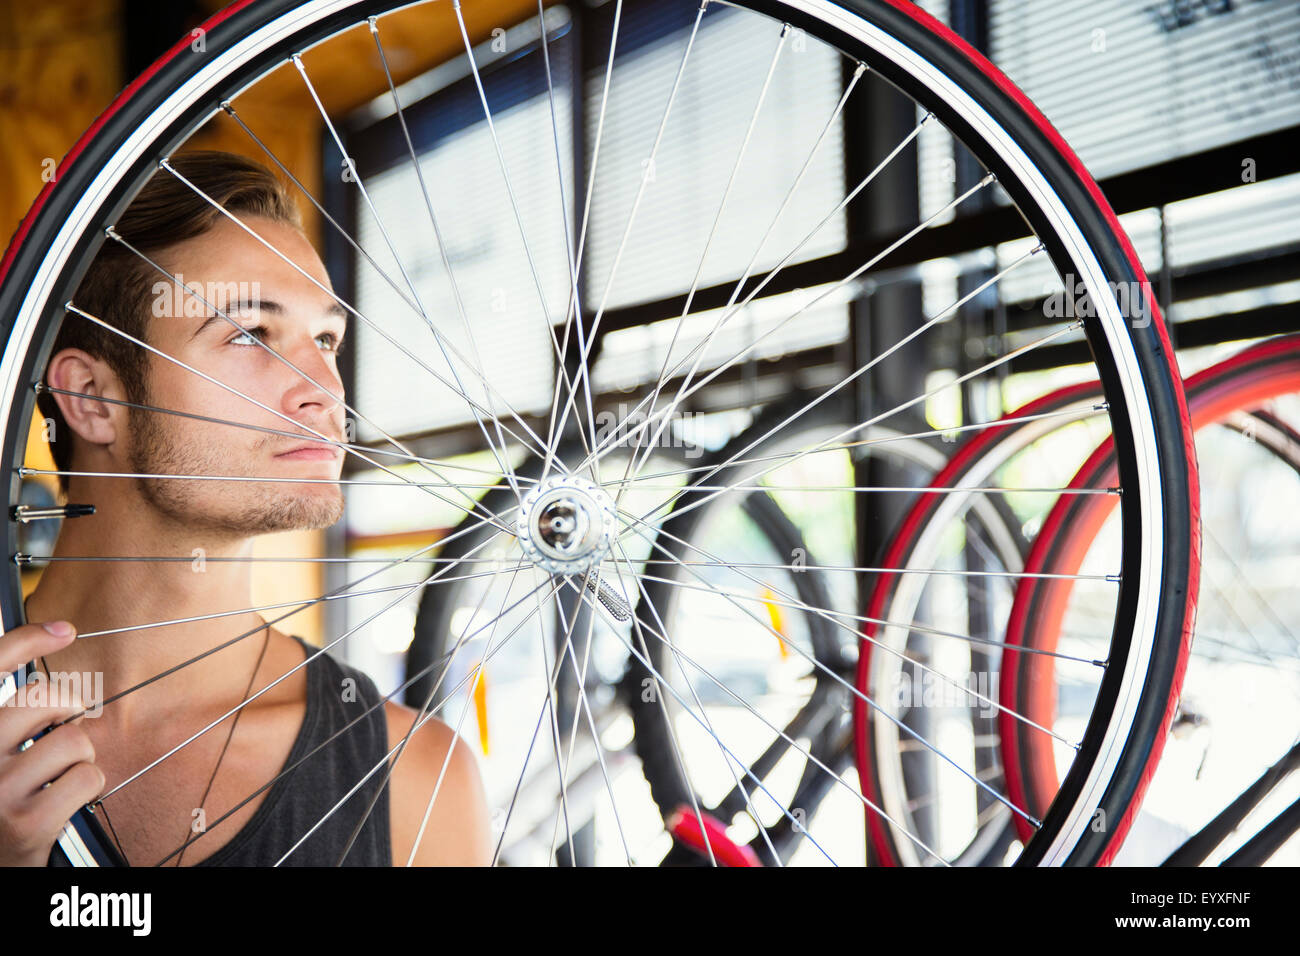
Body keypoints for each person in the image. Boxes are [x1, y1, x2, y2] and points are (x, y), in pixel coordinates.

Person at [0, 151, 491, 866]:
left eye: (325, 339)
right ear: (94, 399)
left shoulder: (417, 780)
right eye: (250, 335)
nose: (325, 390)